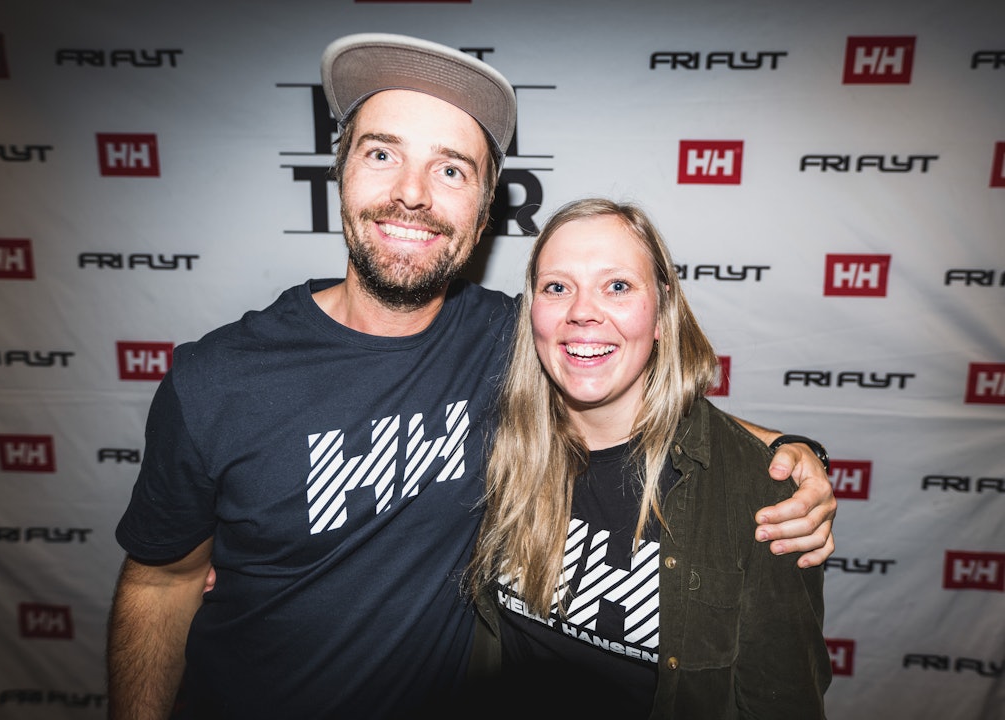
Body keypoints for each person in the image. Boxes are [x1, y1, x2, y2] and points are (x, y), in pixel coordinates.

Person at [106, 34, 835, 720]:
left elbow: (636, 382)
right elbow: (160, 581)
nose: (414, 194)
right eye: (383, 154)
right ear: (340, 172)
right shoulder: (216, 379)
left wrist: (789, 456)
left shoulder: (512, 336)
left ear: (486, 211)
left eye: (451, 168)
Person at [466, 198, 831, 718]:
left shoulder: (761, 496)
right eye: (557, 287)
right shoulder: (497, 445)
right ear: (532, 312)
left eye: (617, 286)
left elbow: (784, 701)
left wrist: (789, 453)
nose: (583, 311)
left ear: (661, 312)